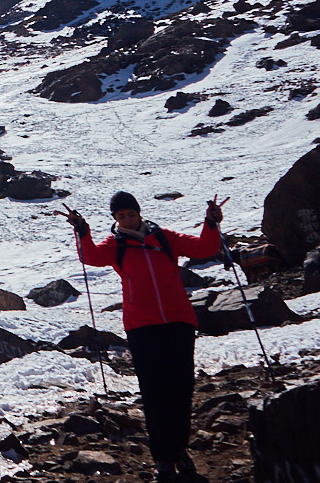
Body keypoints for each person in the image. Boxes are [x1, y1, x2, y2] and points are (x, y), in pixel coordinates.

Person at [65, 191, 225, 483]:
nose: (127, 220)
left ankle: (178, 449)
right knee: (154, 392)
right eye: (121, 216)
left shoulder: (164, 237)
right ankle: (163, 457)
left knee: (181, 389)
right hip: (141, 326)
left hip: (178, 321)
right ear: (115, 219)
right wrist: (83, 231)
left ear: (139, 213)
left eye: (130, 214)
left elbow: (204, 247)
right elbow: (91, 257)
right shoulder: (115, 244)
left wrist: (211, 224)